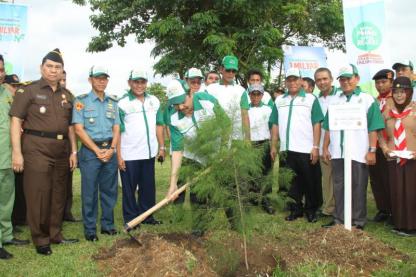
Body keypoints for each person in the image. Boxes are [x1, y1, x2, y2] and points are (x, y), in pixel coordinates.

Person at [10, 49, 79, 256]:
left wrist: (73, 151)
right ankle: (40, 239)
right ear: (42, 68)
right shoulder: (28, 91)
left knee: (59, 194)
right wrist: (17, 153)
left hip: (61, 150)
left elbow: (70, 126)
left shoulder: (67, 95)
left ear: (62, 71)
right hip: (36, 148)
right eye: (49, 66)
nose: (53, 70)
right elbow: (16, 121)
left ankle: (55, 234)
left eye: (57, 67)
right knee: (38, 194)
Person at [322, 64, 385, 230]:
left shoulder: (366, 99)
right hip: (338, 152)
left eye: (348, 78)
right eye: (342, 79)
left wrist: (372, 150)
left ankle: (358, 221)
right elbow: (328, 126)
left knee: (358, 186)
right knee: (339, 185)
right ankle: (339, 219)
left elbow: (373, 127)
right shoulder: (335, 100)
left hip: (359, 152)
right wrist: (325, 147)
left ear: (357, 78)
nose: (345, 82)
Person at [165, 79, 226, 235]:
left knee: (220, 192)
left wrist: (223, 152)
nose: (180, 107)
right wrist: (173, 184)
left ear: (190, 93)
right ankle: (199, 229)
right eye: (175, 104)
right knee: (198, 192)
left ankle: (233, 222)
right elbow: (177, 150)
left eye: (182, 102)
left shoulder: (207, 101)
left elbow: (226, 124)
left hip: (218, 152)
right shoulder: (173, 117)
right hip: (194, 156)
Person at [270, 68, 324, 223]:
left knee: (310, 181)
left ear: (301, 81)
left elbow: (316, 123)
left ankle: (312, 210)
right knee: (291, 183)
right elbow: (274, 124)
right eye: (289, 80)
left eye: (295, 80)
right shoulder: (279, 101)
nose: (292, 83)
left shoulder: (310, 99)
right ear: (286, 82)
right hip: (287, 149)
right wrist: (274, 146)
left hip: (306, 149)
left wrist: (315, 146)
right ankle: (296, 209)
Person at [73, 65, 120, 241]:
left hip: (109, 151)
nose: (101, 81)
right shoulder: (81, 101)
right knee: (90, 191)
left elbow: (116, 127)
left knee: (109, 190)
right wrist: (97, 150)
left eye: (104, 78)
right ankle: (90, 229)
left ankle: (107, 225)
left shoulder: (113, 102)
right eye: (98, 78)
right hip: (90, 153)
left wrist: (112, 149)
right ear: (90, 79)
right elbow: (78, 129)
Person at [117, 69, 165, 225]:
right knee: (129, 190)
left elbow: (159, 125)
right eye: (136, 82)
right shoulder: (122, 103)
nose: (139, 85)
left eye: (142, 82)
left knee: (148, 188)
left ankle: (147, 216)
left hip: (149, 153)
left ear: (146, 83)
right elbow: (117, 131)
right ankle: (131, 219)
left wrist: (162, 147)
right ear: (130, 83)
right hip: (129, 154)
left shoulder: (154, 101)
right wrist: (118, 155)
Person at [379, 76, 416, 236]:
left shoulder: (415, 110)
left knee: (411, 191)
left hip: (412, 158)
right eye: (396, 92)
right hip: (394, 157)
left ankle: (413, 225)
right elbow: (380, 133)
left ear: (409, 93)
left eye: (403, 92)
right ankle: (400, 223)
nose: (399, 95)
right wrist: (385, 148)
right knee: (397, 190)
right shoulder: (388, 113)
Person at [369, 69, 394, 223]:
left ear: (391, 82)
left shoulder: (397, 100)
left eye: (384, 82)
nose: (380, 85)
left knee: (390, 179)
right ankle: (382, 209)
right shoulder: (374, 101)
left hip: (390, 146)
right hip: (374, 145)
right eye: (377, 82)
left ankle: (394, 210)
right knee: (376, 179)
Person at [206, 55, 250, 140]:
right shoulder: (209, 89)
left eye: (233, 71)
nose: (231, 73)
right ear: (221, 69)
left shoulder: (241, 91)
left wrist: (247, 139)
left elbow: (245, 116)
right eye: (228, 70)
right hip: (214, 139)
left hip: (236, 138)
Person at [246, 84, 274, 214]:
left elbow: (273, 127)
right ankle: (252, 199)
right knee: (251, 174)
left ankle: (266, 201)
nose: (255, 96)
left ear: (262, 95)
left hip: (264, 143)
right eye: (253, 94)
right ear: (249, 95)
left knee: (265, 173)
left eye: (258, 94)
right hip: (250, 144)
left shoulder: (269, 109)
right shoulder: (245, 109)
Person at [4, 74, 27, 229]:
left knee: (9, 194)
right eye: (13, 86)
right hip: (4, 153)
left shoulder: (13, 102)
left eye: (18, 86)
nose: (16, 89)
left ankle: (9, 229)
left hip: (11, 153)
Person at [314, 68, 338, 217]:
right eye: (319, 80)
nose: (322, 82)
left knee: (341, 178)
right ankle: (329, 208)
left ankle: (344, 208)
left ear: (331, 79)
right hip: (324, 146)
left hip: (340, 146)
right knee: (327, 178)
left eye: (325, 79)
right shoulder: (315, 100)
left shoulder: (341, 96)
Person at [59, 70, 79, 222]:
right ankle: (55, 214)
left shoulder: (69, 95)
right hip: (52, 142)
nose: (62, 82)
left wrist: (74, 150)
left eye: (64, 79)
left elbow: (74, 120)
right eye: (61, 79)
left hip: (67, 141)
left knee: (68, 179)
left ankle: (67, 212)